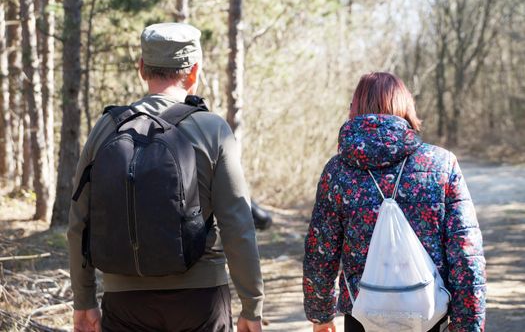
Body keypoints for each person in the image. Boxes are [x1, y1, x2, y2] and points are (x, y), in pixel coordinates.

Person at [68, 23, 264, 332]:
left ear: (142, 68)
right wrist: (251, 305)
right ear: (193, 71)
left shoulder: (106, 128)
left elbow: (79, 221)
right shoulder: (212, 129)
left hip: (124, 301)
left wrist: (84, 300)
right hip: (200, 300)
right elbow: (237, 223)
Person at [303, 72, 486, 332]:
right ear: (406, 106)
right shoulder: (441, 164)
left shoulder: (338, 171)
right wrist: (468, 323)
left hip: (363, 315)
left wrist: (320, 315)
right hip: (428, 313)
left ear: (355, 108)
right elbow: (466, 252)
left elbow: (320, 252)